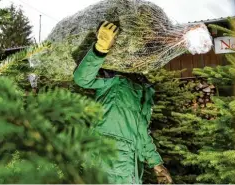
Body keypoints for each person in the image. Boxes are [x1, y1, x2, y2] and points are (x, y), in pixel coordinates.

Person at [73, 21, 173, 184]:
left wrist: (157, 164)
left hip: (131, 171)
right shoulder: (115, 81)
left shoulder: (144, 89)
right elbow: (82, 78)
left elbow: (141, 132)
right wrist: (100, 49)